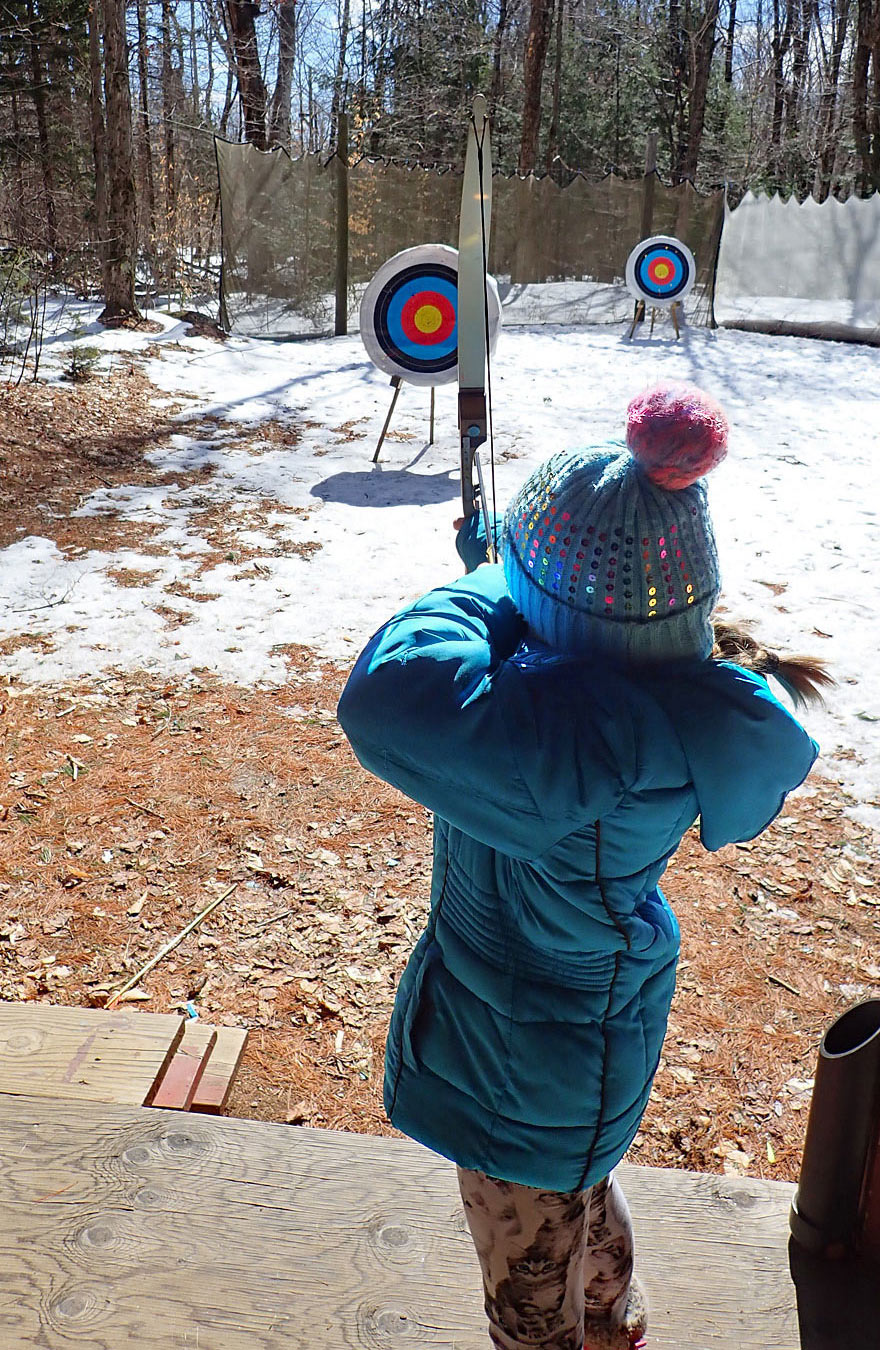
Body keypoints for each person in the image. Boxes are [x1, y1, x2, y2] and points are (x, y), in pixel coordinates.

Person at [337, 384, 829, 1350]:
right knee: (579, 1204)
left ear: (556, 615)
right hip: (575, 1050)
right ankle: (613, 1323)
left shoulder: (564, 747)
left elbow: (387, 694)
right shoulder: (647, 708)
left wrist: (489, 587)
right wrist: (530, 591)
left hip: (524, 1065)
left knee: (529, 1290)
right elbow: (561, 664)